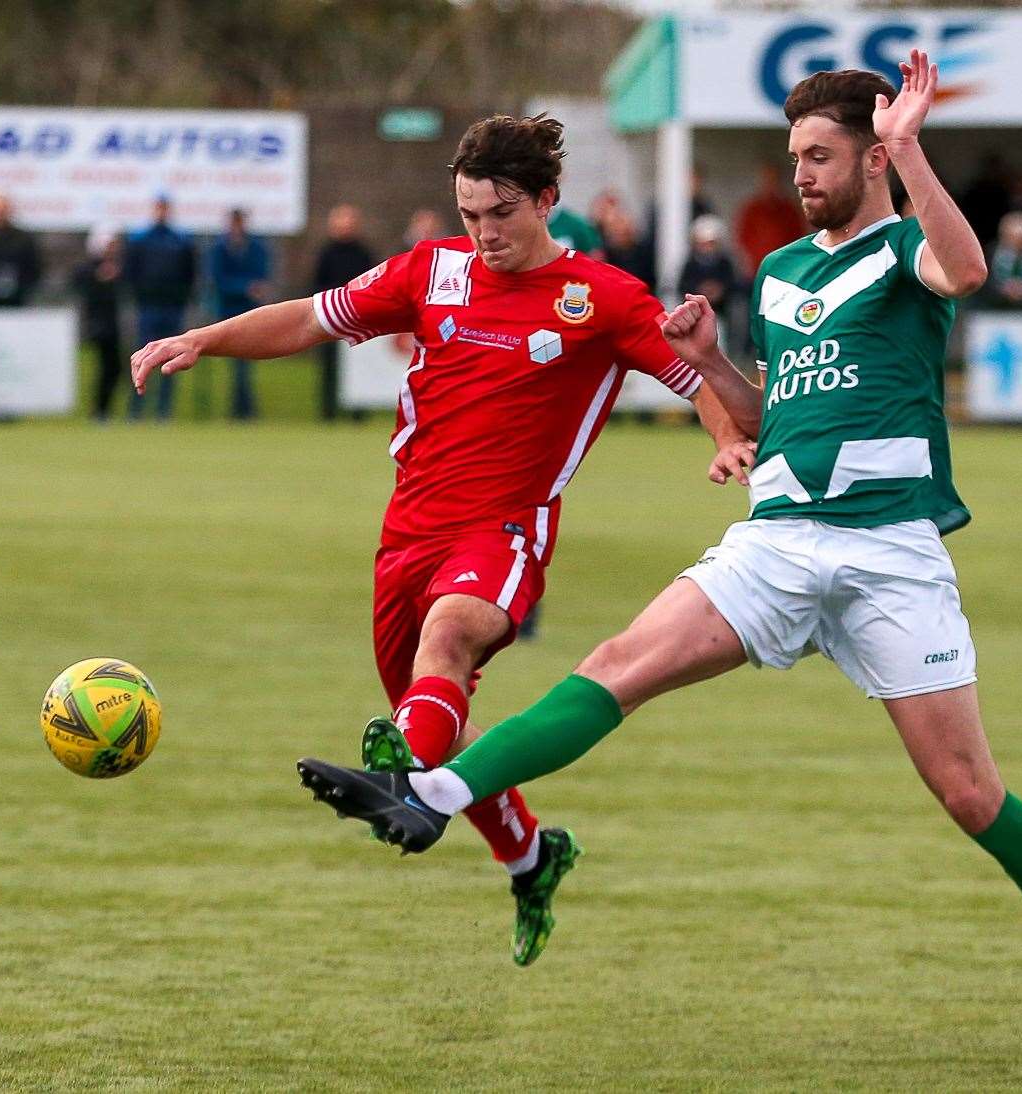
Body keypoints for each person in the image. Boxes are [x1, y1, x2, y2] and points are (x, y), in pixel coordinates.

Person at [296, 55, 1022, 1057]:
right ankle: (431, 792)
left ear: (873, 156)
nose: (797, 172)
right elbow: (770, 417)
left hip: (888, 551)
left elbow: (964, 271)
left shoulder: (903, 253)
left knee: (967, 792)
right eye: (792, 153)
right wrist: (710, 362)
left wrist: (915, 149)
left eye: (819, 154)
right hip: (777, 539)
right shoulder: (781, 270)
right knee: (617, 664)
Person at [132, 113, 737, 965]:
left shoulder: (600, 296)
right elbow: (310, 318)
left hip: (505, 527)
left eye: (502, 214)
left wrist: (725, 437)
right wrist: (203, 338)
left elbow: (692, 375)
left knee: (450, 636)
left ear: (547, 201)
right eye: (470, 214)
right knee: (437, 718)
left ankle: (397, 788)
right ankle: (530, 854)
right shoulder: (431, 271)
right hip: (406, 531)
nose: (485, 233)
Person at [125, 196, 196, 421]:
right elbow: (132, 273)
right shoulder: (141, 240)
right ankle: (136, 408)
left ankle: (163, 410)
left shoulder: (180, 241)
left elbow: (190, 274)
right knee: (143, 356)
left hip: (172, 307)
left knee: (170, 359)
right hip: (148, 306)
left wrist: (181, 298)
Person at [311, 204, 376, 420]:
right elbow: (316, 284)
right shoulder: (326, 253)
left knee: (359, 369)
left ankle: (358, 413)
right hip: (330, 317)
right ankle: (328, 412)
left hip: (358, 319)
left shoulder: (364, 252)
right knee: (330, 369)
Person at [209, 208, 271, 420]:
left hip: (250, 312)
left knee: (245, 366)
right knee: (238, 366)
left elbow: (263, 274)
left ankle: (243, 409)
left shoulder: (256, 247)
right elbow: (218, 280)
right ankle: (242, 410)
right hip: (229, 312)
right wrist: (245, 287)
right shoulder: (220, 248)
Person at [72, 227, 125, 420]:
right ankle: (99, 409)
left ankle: (103, 409)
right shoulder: (90, 268)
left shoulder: (117, 267)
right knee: (104, 367)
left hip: (112, 324)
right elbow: (79, 283)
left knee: (113, 368)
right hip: (97, 323)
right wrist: (98, 277)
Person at [734, 160, 806, 276]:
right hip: (758, 268)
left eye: (773, 179)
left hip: (785, 267)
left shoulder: (789, 209)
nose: (770, 183)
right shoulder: (752, 209)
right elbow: (742, 237)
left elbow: (799, 237)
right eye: (767, 179)